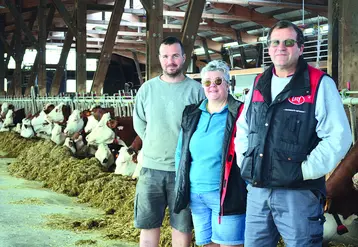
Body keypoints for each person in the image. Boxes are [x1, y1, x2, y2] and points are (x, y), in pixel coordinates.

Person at [235, 20, 352, 247]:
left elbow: (339, 136)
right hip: (258, 190)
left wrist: (305, 170)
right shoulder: (260, 82)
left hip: (297, 193)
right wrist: (245, 161)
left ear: (300, 48)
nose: (281, 47)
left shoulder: (319, 83)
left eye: (288, 42)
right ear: (268, 48)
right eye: (275, 42)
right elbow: (243, 127)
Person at [133, 36, 205, 247]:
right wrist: (154, 141)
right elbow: (139, 123)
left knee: (182, 228)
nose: (170, 61)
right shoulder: (147, 89)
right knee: (148, 226)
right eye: (165, 56)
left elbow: (202, 128)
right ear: (159, 59)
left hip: (183, 172)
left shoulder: (197, 90)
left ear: (183, 58)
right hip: (150, 169)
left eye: (175, 55)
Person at [174, 60, 247, 247]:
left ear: (228, 85)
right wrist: (181, 182)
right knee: (206, 244)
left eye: (218, 81)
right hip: (196, 194)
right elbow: (181, 152)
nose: (212, 86)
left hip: (227, 193)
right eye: (207, 82)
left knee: (231, 244)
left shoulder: (240, 112)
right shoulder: (192, 113)